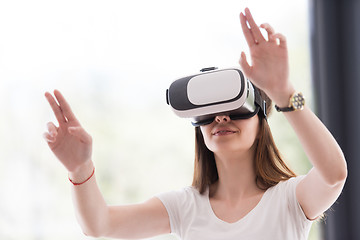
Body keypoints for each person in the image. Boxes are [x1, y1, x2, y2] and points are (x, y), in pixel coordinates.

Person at [43, 8, 347, 240]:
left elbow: (334, 175)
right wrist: (79, 169)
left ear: (261, 119)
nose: (221, 118)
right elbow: (100, 225)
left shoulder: (289, 200)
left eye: (235, 107)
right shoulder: (185, 206)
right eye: (209, 112)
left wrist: (284, 92)